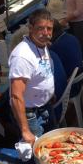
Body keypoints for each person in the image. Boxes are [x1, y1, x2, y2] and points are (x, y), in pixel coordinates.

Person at [8, 8, 55, 145]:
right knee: (38, 153)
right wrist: (25, 130)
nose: (45, 33)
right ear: (30, 28)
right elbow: (16, 96)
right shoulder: (22, 56)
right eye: (40, 28)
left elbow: (43, 71)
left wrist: (49, 93)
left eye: (49, 29)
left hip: (45, 107)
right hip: (30, 115)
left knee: (51, 147)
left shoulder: (42, 44)